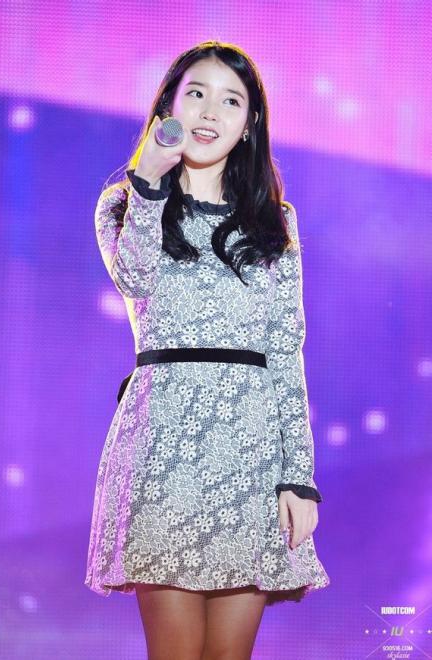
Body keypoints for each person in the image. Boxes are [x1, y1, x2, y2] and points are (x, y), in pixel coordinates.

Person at [85, 40, 330, 660]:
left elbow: (286, 352)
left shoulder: (275, 223)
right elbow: (135, 278)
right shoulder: (124, 205)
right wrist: (149, 182)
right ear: (168, 105)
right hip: (164, 447)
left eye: (230, 100)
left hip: (250, 452)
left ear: (250, 124)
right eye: (196, 93)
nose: (209, 111)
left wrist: (298, 478)